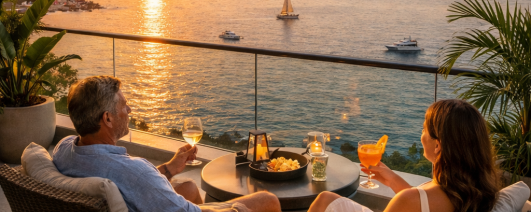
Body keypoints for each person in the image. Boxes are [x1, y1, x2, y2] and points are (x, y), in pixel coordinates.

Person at [53, 76, 281, 212]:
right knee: (267, 200)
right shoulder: (135, 170)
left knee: (189, 188)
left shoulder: (63, 149)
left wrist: (169, 168)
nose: (129, 110)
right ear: (108, 118)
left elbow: (134, 184)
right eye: (123, 106)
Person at [309, 99, 500, 212]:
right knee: (327, 198)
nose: (421, 134)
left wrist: (403, 191)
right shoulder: (481, 190)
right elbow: (422, 205)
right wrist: (393, 180)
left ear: (438, 146)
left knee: (324, 201)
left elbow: (413, 203)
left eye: (424, 129)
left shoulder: (408, 200)